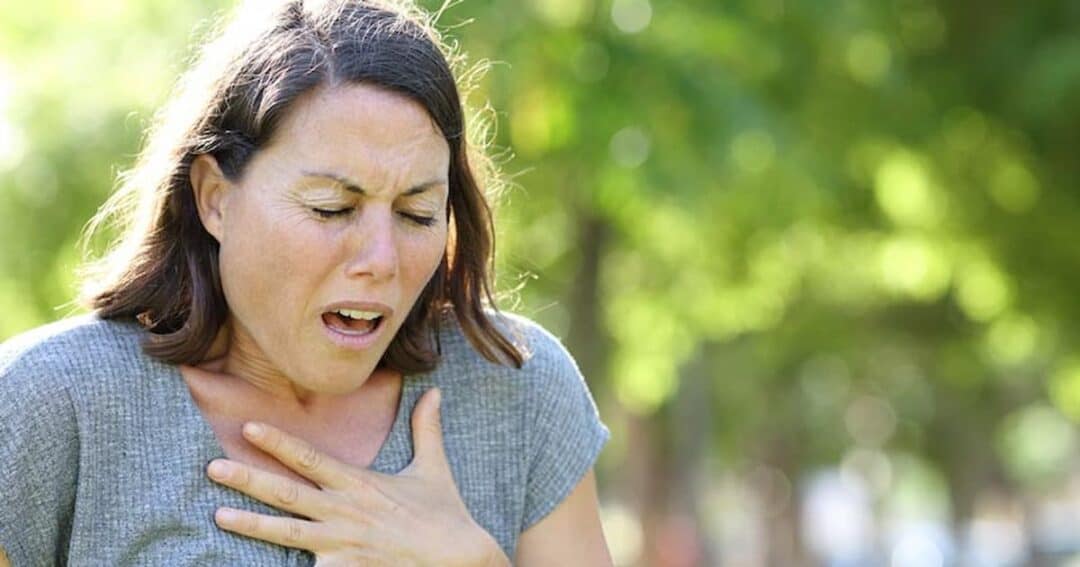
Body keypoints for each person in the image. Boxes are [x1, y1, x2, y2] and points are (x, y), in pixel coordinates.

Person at [0, 0, 612, 564]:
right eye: (330, 208)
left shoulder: (515, 386)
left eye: (417, 214)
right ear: (215, 199)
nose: (382, 258)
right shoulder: (51, 406)